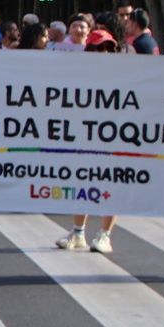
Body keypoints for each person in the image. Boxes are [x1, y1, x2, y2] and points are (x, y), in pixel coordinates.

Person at [57, 28, 123, 252]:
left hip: (113, 137)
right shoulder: (81, 75)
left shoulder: (125, 75)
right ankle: (78, 233)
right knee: (82, 182)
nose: (105, 52)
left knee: (111, 184)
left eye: (109, 48)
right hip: (86, 136)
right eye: (99, 48)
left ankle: (105, 235)